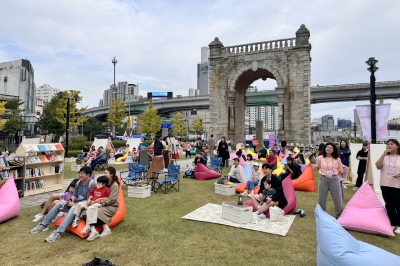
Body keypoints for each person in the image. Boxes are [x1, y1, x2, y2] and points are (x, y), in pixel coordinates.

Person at [29, 166, 96, 242]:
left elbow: (90, 200)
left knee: (74, 208)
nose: (80, 175)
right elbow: (74, 195)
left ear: (88, 175)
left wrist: (74, 205)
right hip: (74, 204)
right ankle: (43, 224)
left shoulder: (92, 184)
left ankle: (59, 232)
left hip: (83, 207)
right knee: (59, 204)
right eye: (79, 173)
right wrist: (69, 201)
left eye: (82, 173)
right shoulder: (78, 183)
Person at [79, 166, 121, 241]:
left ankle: (106, 229)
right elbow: (94, 192)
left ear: (111, 174)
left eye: (106, 173)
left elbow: (112, 199)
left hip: (110, 205)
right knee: (85, 211)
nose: (104, 174)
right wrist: (91, 199)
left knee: (95, 211)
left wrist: (100, 201)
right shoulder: (102, 182)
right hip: (97, 203)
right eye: (104, 173)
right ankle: (93, 231)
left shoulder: (114, 185)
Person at [375, 139, 400, 234]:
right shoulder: (385, 157)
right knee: (389, 205)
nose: (389, 145)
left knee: (399, 205)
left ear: (397, 146)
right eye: (388, 144)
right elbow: (378, 166)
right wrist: (384, 154)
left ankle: (399, 225)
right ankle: (392, 223)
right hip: (385, 184)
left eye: (391, 144)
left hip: (398, 185)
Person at [316, 142, 344, 218]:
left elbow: (340, 169)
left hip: (334, 179)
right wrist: (323, 172)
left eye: (331, 148)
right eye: (327, 147)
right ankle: (322, 215)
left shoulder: (337, 159)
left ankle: (339, 215)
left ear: (333, 150)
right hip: (323, 178)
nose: (329, 149)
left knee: (337, 198)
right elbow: (318, 167)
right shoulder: (320, 158)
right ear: (324, 148)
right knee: (322, 198)